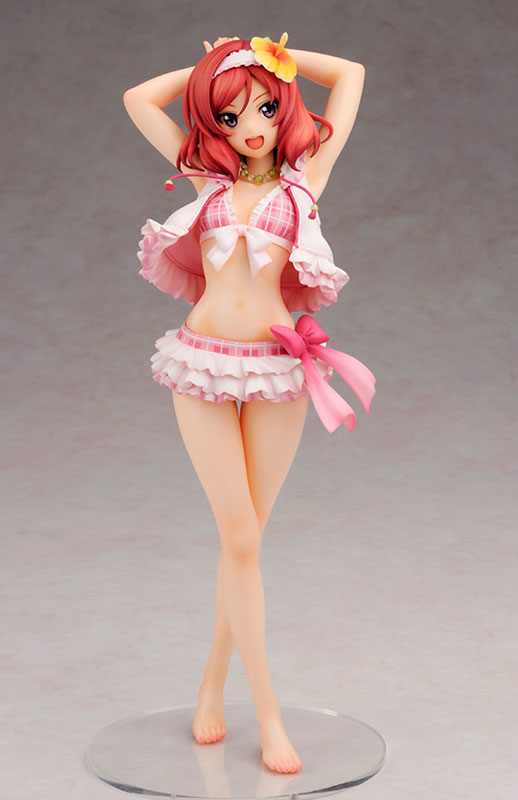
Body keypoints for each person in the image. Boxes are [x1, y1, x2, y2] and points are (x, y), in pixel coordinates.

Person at [123, 33, 376, 775]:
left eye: (264, 109)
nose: (251, 127)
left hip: (275, 368)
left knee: (248, 541)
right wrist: (216, 68)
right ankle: (267, 715)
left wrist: (265, 54)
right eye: (229, 117)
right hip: (203, 362)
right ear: (214, 125)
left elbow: (352, 73)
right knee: (238, 537)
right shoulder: (204, 177)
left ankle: (210, 686)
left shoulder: (306, 179)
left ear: (284, 105)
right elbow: (139, 99)